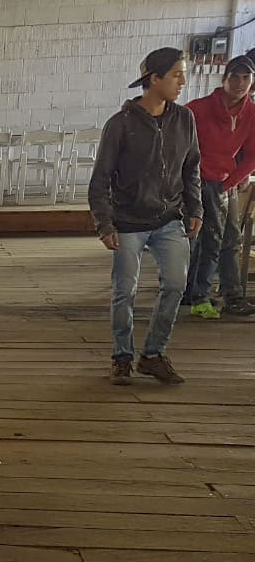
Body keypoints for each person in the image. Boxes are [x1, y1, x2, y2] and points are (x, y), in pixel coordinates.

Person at [89, 47, 202, 385]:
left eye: (183, 75)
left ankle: (153, 354)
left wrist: (195, 208)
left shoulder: (184, 119)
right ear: (154, 79)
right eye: (176, 75)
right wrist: (104, 223)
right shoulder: (120, 125)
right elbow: (101, 178)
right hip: (128, 221)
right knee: (125, 290)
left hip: (169, 218)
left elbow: (191, 168)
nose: (182, 82)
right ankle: (122, 357)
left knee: (176, 284)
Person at [182, 54, 255, 318]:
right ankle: (193, 292)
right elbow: (178, 143)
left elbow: (252, 154)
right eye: (234, 77)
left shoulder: (251, 113)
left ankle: (228, 294)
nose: (240, 83)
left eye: (246, 77)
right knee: (200, 238)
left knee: (229, 237)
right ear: (224, 79)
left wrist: (232, 180)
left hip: (225, 181)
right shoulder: (197, 109)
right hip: (195, 180)